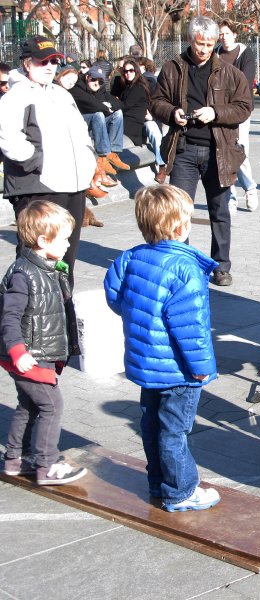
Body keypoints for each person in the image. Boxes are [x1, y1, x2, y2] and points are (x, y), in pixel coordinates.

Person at [104, 184, 220, 512]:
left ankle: (159, 483)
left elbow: (115, 297)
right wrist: (202, 368)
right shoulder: (186, 270)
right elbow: (191, 329)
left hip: (146, 363)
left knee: (151, 425)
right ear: (181, 227)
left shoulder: (131, 258)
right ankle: (180, 491)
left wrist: (143, 318)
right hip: (178, 370)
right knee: (174, 432)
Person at [0, 35, 98, 353]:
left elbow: (80, 132)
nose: (50, 66)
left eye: (55, 60)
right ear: (27, 63)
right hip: (39, 186)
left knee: (63, 261)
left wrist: (88, 160)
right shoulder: (15, 96)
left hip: (72, 184)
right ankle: (17, 333)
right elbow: (7, 137)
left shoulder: (60, 93)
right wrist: (34, 160)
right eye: (43, 61)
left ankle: (61, 334)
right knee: (33, 263)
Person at [150, 15, 252, 287]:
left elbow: (244, 108)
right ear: (190, 40)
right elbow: (156, 102)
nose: (204, 49)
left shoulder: (231, 73)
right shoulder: (172, 67)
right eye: (199, 44)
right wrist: (173, 113)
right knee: (178, 212)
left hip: (218, 152)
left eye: (209, 44)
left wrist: (215, 112)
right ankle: (181, 263)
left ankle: (221, 266)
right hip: (182, 149)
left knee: (220, 211)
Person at [0, 201, 88, 485]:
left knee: (29, 405)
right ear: (42, 240)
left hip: (39, 352)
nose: (67, 244)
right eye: (63, 239)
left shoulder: (49, 269)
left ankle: (16, 458)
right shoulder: (23, 274)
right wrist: (18, 351)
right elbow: (9, 316)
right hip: (29, 356)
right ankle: (46, 464)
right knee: (52, 406)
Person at [216, 20, 259, 212]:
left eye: (226, 33)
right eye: (221, 34)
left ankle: (250, 188)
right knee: (223, 152)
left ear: (234, 34)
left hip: (240, 108)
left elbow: (245, 81)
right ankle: (230, 196)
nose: (224, 38)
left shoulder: (245, 54)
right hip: (219, 110)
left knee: (239, 150)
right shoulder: (215, 53)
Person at [70, 65, 131, 176]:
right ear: (87, 77)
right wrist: (106, 108)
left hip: (98, 123)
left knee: (118, 114)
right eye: (93, 79)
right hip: (82, 123)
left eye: (100, 81)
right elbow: (91, 103)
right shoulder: (76, 88)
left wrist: (110, 106)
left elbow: (119, 104)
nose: (97, 83)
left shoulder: (101, 89)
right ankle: (103, 156)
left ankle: (113, 152)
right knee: (98, 114)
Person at [113, 57, 164, 172]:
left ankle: (162, 165)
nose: (128, 73)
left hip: (146, 118)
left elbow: (155, 103)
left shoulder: (146, 83)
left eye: (131, 70)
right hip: (134, 119)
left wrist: (152, 117)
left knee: (153, 131)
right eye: (124, 71)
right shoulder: (123, 84)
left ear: (137, 70)